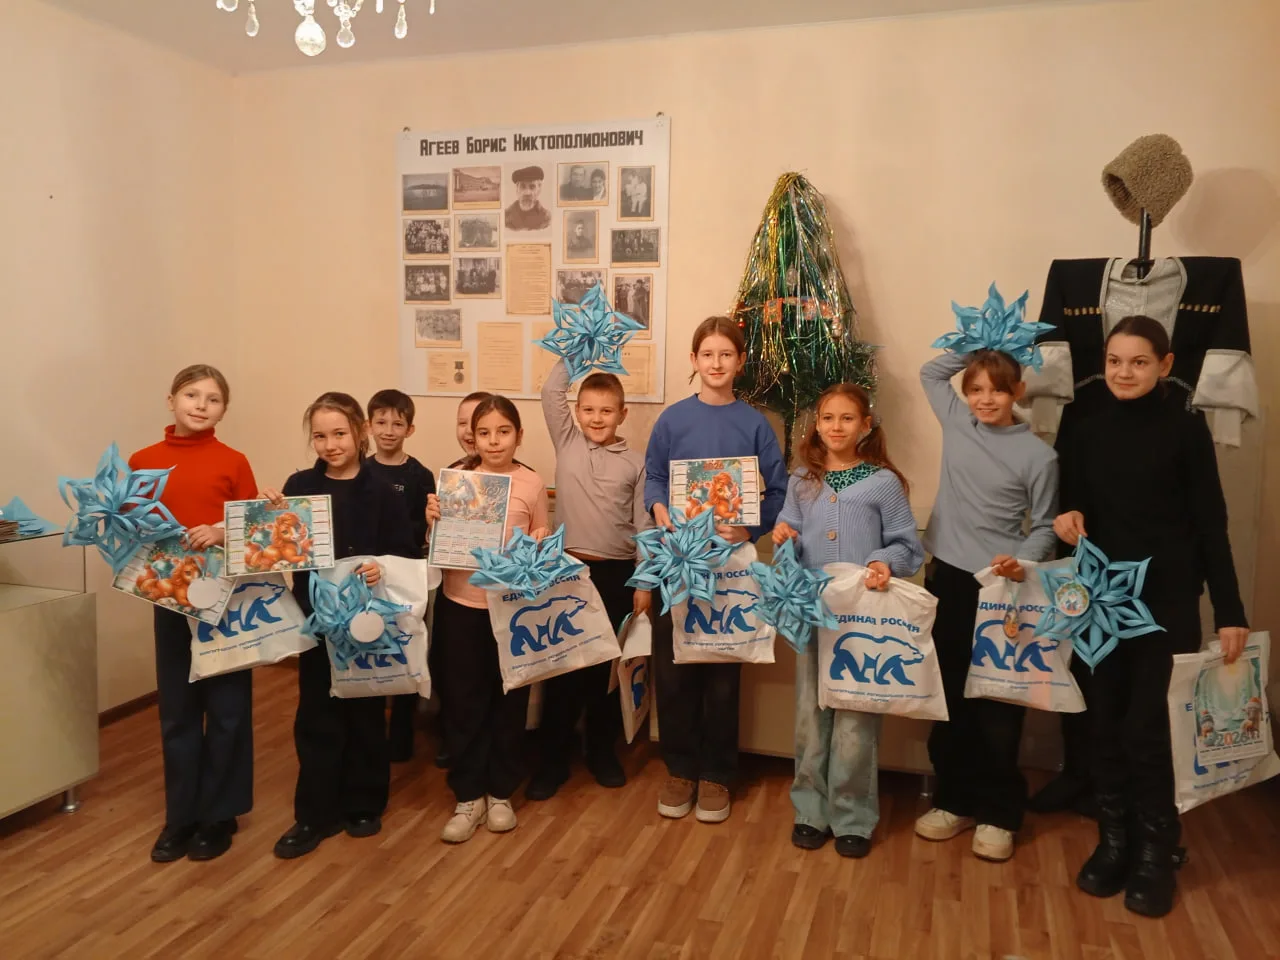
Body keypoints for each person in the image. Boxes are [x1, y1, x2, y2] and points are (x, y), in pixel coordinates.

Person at [1055, 315, 1248, 919]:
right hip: (1100, 603)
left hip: (1165, 605)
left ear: (1165, 365)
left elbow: (1212, 524)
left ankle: (1156, 851)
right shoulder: (1085, 427)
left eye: (1139, 362)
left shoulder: (1186, 430)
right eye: (1114, 360)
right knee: (1104, 725)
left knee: (1149, 729)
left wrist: (1230, 610)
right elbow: (1070, 507)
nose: (1124, 372)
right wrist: (1066, 520)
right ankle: (1114, 840)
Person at [913, 346, 1058, 863]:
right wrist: (976, 341)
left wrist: (1022, 562)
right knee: (950, 694)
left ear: (1017, 392)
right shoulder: (957, 422)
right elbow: (931, 372)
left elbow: (1045, 526)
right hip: (948, 579)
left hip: (1001, 588)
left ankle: (999, 812)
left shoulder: (1040, 456)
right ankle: (953, 800)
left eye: (997, 389)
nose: (985, 399)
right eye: (975, 389)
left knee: (996, 701)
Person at [644, 316, 788, 823]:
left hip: (731, 567)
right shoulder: (672, 420)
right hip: (677, 562)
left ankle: (718, 774)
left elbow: (777, 490)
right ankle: (680, 769)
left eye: (726, 354)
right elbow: (654, 477)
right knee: (675, 670)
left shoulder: (755, 424)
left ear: (739, 361)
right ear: (694, 360)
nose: (716, 363)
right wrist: (658, 508)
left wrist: (750, 529)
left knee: (724, 672)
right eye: (707, 354)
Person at [772, 384, 924, 859]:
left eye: (847, 418)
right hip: (812, 613)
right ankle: (810, 810)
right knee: (809, 715)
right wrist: (784, 538)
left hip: (862, 618)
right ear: (816, 425)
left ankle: (853, 815)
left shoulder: (883, 482)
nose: (836, 426)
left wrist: (883, 561)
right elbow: (791, 540)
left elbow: (907, 547)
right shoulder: (802, 480)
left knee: (857, 717)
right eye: (827, 418)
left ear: (865, 425)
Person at [270, 392, 419, 859]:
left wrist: (380, 569)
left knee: (366, 711)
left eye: (339, 433)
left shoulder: (384, 491)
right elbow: (281, 550)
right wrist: (267, 520)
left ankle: (364, 803)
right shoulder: (299, 486)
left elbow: (404, 553)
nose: (330, 444)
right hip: (316, 620)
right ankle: (314, 813)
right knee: (316, 713)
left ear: (360, 431)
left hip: (367, 620)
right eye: (320, 436)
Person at [131, 364, 258, 864]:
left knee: (227, 709)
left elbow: (253, 529)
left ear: (223, 410)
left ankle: (219, 815)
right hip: (168, 599)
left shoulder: (234, 461)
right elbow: (129, 526)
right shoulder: (143, 461)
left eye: (213, 399)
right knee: (178, 710)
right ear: (171, 400)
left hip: (225, 601)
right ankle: (181, 816)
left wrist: (221, 531)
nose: (201, 405)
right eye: (191, 395)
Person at [427, 396, 550, 843]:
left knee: (508, 700)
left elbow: (540, 540)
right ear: (472, 438)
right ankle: (468, 795)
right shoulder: (457, 480)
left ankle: (500, 793)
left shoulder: (532, 483)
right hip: (461, 606)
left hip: (511, 611)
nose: (494, 441)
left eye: (503, 431)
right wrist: (433, 523)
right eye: (484, 433)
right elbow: (438, 548)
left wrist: (539, 544)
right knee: (464, 703)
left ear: (519, 435)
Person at [528, 358, 650, 800]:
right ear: (577, 413)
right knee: (563, 670)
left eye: (606, 411)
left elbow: (644, 527)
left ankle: (601, 752)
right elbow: (550, 392)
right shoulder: (567, 443)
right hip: (568, 572)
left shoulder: (636, 463)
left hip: (617, 573)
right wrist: (580, 345)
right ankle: (551, 762)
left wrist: (644, 582)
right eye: (589, 410)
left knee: (606, 673)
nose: (597, 418)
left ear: (622, 414)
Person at [364, 389, 436, 763]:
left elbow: (428, 530)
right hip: (367, 577)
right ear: (368, 425)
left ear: (410, 429)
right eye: (381, 422)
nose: (388, 430)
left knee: (407, 648)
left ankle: (403, 733)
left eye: (397, 423)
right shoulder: (360, 471)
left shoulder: (420, 476)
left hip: (408, 575)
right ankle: (372, 732)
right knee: (371, 645)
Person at [505, 166, 550, 231]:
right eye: (522, 186)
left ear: (539, 190)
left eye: (532, 187)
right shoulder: (506, 215)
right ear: (517, 189)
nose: (527, 192)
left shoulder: (546, 218)